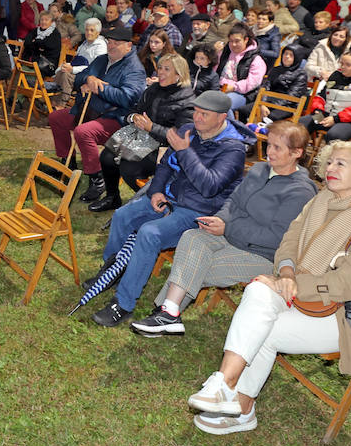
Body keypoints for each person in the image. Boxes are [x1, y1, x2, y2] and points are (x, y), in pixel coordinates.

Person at [187, 142, 351, 435]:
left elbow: (348, 283)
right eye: (330, 162)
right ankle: (225, 385)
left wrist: (291, 282)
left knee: (262, 324)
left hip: (344, 316)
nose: (330, 169)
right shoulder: (320, 202)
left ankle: (240, 404)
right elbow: (289, 240)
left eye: (341, 164)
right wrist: (286, 272)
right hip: (301, 296)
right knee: (258, 294)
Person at [132, 122, 317, 336]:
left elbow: (276, 237)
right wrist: (218, 219)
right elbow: (233, 201)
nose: (269, 152)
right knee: (192, 236)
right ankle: (170, 313)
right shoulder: (259, 169)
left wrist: (227, 228)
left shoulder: (301, 191)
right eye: (269, 145)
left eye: (277, 147)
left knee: (196, 264)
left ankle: (167, 311)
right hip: (231, 237)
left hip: (263, 256)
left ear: (297, 153)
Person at [88, 90, 249, 327]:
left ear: (222, 117)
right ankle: (110, 270)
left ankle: (123, 304)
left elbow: (209, 187)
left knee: (149, 234)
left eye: (204, 114)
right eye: (196, 111)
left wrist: (185, 151)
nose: (197, 117)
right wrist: (157, 191)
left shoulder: (233, 149)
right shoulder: (188, 130)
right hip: (169, 198)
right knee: (123, 215)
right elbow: (164, 165)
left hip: (197, 210)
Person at [87, 52, 197, 213]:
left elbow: (182, 135)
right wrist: (133, 118)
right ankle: (112, 197)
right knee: (107, 156)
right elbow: (134, 110)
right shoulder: (153, 89)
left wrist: (151, 127)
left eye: (167, 69)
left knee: (129, 168)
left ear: (179, 74)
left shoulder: (188, 100)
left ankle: (147, 203)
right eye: (160, 68)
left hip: (166, 148)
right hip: (143, 137)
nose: (160, 72)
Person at [49, 24, 145, 194]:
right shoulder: (102, 59)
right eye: (109, 41)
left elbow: (128, 98)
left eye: (117, 43)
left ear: (129, 45)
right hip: (89, 109)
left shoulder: (135, 69)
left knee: (83, 132)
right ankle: (66, 163)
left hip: (116, 118)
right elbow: (78, 77)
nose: (111, 45)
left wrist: (99, 87)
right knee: (56, 118)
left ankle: (96, 177)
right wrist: (89, 79)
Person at [301, 51, 351, 142]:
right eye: (341, 63)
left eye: (348, 65)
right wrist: (318, 110)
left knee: (334, 134)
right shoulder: (336, 75)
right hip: (328, 116)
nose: (343, 67)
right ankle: (296, 154)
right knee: (301, 124)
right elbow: (322, 96)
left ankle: (330, 156)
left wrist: (336, 119)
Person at [216, 23, 266, 117]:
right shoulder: (224, 53)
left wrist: (234, 87)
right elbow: (214, 70)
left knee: (223, 104)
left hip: (242, 93)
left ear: (246, 40)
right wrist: (214, 53)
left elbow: (253, 82)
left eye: (237, 41)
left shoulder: (256, 59)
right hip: (220, 88)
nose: (233, 44)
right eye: (231, 41)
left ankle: (231, 129)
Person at [20, 9, 62, 76]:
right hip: (33, 60)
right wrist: (39, 46)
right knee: (21, 64)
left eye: (46, 20)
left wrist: (35, 42)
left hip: (47, 63)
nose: (43, 22)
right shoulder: (35, 30)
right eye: (42, 20)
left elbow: (48, 46)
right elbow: (27, 42)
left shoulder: (55, 33)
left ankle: (34, 84)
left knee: (36, 68)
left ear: (51, 22)